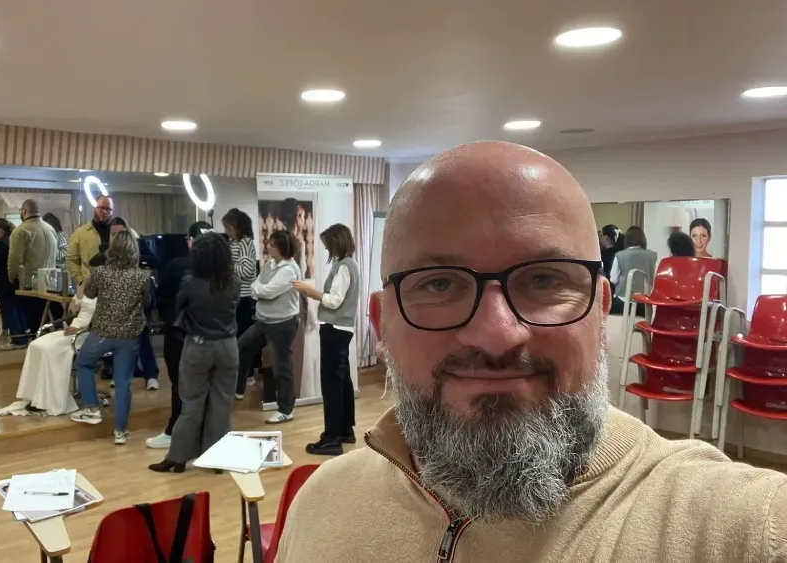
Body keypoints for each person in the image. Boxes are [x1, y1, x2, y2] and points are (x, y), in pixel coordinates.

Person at [276, 141, 787, 563]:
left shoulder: (743, 529)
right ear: (380, 324)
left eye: (544, 279)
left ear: (600, 310)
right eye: (438, 284)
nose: (497, 334)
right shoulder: (320, 504)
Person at [148, 233, 240, 472]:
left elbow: (179, 307)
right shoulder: (233, 282)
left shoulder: (190, 281)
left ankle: (177, 458)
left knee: (191, 403)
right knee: (221, 405)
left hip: (198, 346)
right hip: (228, 346)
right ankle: (218, 458)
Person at [69, 228, 151, 445]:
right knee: (123, 382)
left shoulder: (101, 273)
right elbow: (147, 301)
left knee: (83, 364)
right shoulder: (143, 276)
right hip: (129, 335)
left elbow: (89, 294)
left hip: (102, 333)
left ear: (112, 250)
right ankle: (120, 433)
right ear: (134, 250)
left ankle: (92, 408)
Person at [292, 224, 360, 456]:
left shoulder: (343, 267)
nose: (325, 247)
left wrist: (311, 292)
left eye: (327, 243)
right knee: (342, 381)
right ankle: (344, 430)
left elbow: (334, 301)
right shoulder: (351, 265)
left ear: (336, 242)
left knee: (332, 383)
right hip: (342, 328)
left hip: (334, 328)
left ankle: (332, 438)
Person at [145, 221, 213, 449]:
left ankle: (175, 430)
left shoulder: (177, 266)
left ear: (190, 240)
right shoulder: (219, 269)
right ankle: (201, 431)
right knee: (203, 384)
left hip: (179, 333)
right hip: (209, 335)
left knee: (179, 383)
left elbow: (161, 292)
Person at [236, 230, 301, 423]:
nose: (268, 247)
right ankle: (238, 388)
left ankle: (286, 410)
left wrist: (258, 290)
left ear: (282, 247)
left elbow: (267, 291)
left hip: (282, 325)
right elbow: (257, 285)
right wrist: (258, 290)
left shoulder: (289, 270)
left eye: (272, 245)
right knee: (241, 347)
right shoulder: (271, 264)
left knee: (281, 368)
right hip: (264, 321)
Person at [0, 285, 94, 417]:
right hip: (72, 328)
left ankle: (52, 399)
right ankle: (35, 396)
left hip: (88, 333)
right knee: (35, 345)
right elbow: (73, 309)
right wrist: (82, 288)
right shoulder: (88, 287)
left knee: (50, 350)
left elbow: (104, 320)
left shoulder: (107, 288)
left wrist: (82, 328)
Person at [111, 217, 160, 390]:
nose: (116, 237)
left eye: (119, 233)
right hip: (121, 297)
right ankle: (124, 372)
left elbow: (154, 261)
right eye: (113, 233)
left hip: (141, 294)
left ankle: (151, 374)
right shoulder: (110, 251)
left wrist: (135, 261)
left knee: (142, 334)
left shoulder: (138, 244)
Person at [222, 208, 260, 386]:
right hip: (235, 296)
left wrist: (226, 266)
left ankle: (248, 374)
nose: (227, 231)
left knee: (243, 337)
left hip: (244, 297)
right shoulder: (234, 242)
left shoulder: (246, 243)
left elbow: (246, 271)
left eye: (229, 227)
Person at [8, 199, 58, 333]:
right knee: (44, 319)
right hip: (49, 283)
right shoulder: (50, 229)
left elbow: (14, 259)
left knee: (31, 323)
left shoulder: (20, 231)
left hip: (29, 284)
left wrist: (12, 277)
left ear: (23, 211)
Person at [0, 218, 28, 349]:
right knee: (18, 308)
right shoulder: (13, 239)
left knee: (9, 310)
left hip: (4, 280)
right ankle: (23, 335)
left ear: (0, 230)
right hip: (16, 279)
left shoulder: (0, 243)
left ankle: (17, 339)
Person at [608, 226, 657, 316]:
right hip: (644, 303)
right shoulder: (653, 255)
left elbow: (613, 279)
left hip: (622, 301)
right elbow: (654, 279)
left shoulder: (620, 255)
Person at [66, 195, 114, 285]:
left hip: (114, 287)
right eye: (102, 208)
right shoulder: (80, 233)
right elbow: (71, 260)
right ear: (95, 208)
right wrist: (81, 280)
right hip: (89, 286)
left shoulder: (121, 233)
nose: (104, 212)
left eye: (108, 209)